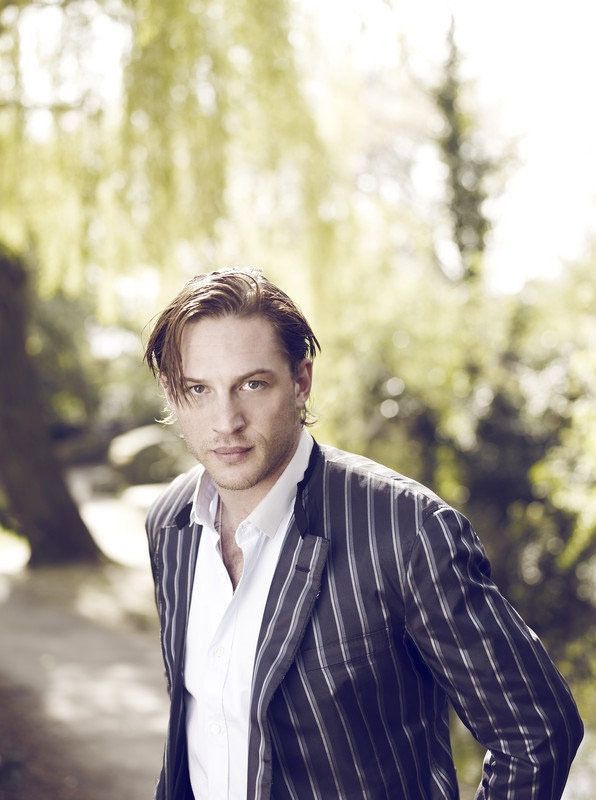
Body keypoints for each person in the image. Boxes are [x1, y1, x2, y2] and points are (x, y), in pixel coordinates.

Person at [144, 267, 583, 800]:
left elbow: (537, 732)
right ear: (172, 394)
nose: (226, 420)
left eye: (252, 384)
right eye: (198, 389)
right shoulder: (169, 523)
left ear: (301, 382)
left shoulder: (408, 531)